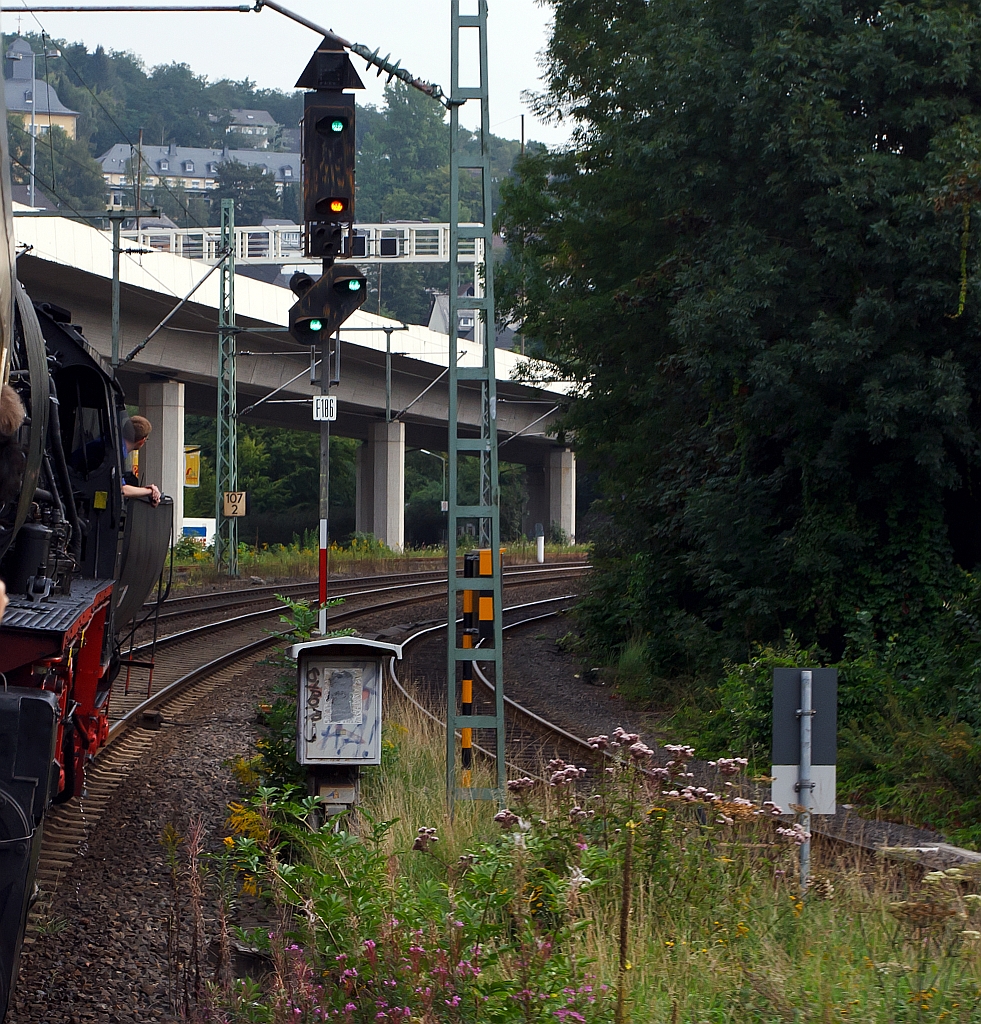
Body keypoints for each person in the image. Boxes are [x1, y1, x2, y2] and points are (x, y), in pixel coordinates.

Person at [120, 414, 161, 506]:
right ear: (142, 441)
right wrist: (150, 491)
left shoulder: (114, 445)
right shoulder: (117, 453)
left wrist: (145, 490)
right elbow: (122, 489)